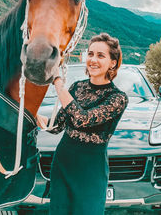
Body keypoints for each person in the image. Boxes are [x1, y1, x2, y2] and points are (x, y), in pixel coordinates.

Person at [37, 33, 128, 215]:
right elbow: (57, 126)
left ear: (112, 62)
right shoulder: (77, 87)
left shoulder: (117, 98)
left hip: (91, 170)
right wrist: (32, 114)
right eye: (91, 54)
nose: (93, 60)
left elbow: (82, 119)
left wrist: (57, 82)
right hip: (63, 163)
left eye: (101, 55)